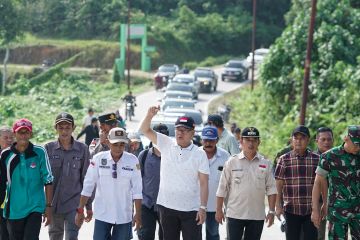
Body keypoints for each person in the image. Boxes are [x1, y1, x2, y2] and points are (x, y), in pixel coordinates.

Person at [140, 106, 209, 240]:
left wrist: (203, 208)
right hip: (167, 207)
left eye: (184, 130)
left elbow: (204, 183)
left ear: (192, 133)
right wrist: (149, 115)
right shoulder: (166, 143)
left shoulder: (200, 154)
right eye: (177, 129)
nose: (180, 133)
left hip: (191, 210)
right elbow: (144, 130)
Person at [75, 127, 142, 240]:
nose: (119, 148)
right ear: (108, 142)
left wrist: (138, 213)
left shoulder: (133, 160)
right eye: (115, 144)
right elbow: (88, 186)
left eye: (122, 144)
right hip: (102, 215)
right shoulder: (98, 159)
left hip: (124, 216)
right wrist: (81, 210)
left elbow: (137, 190)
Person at [216, 127, 277, 240]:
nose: (251, 143)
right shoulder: (232, 162)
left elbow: (271, 189)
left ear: (259, 142)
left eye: (254, 140)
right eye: (247, 140)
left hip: (256, 216)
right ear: (241, 141)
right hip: (235, 214)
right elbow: (222, 187)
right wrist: (219, 210)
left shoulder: (265, 163)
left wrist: (272, 211)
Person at [0, 118, 54, 240]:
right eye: (20, 132)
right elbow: (1, 183)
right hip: (14, 209)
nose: (23, 135)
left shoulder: (39, 152)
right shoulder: (6, 155)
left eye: (26, 132)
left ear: (31, 134)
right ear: (14, 134)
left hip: (35, 207)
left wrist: (48, 206)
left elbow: (49, 180)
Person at [44, 112, 92, 240]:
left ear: (73, 128)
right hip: (54, 204)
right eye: (61, 127)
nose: (64, 131)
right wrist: (45, 206)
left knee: (72, 237)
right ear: (56, 128)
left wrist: (88, 206)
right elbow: (43, 179)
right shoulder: (48, 149)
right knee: (55, 236)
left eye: (67, 127)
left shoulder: (83, 149)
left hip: (74, 204)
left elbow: (86, 179)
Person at [311, 125, 360, 240]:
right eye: (356, 144)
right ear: (346, 138)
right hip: (337, 211)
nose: (358, 147)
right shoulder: (329, 156)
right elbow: (318, 182)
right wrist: (315, 209)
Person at [275, 125, 319, 240]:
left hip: (311, 210)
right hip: (291, 210)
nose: (299, 141)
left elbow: (320, 184)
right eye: (296, 138)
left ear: (308, 140)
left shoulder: (316, 159)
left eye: (302, 138)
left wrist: (322, 205)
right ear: (292, 140)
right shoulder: (284, 159)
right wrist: (278, 205)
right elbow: (278, 183)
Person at [137, 124, 169, 240]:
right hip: (147, 205)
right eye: (156, 136)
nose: (159, 140)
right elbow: (137, 181)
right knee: (145, 236)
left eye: (163, 137)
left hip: (167, 207)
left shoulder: (173, 157)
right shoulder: (143, 155)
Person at [200, 126, 230, 240]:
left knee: (212, 234)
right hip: (195, 205)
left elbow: (228, 182)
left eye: (211, 140)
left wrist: (225, 206)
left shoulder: (225, 156)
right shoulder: (195, 153)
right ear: (202, 140)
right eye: (206, 140)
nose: (208, 143)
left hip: (214, 205)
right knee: (193, 235)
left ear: (217, 140)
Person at [311, 127, 334, 240]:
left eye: (329, 139)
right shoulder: (311, 159)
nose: (326, 142)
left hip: (337, 205)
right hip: (316, 203)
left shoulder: (337, 157)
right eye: (323, 139)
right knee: (316, 235)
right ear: (316, 141)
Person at [0, 126, 14, 240]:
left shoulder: (17, 154)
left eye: (11, 137)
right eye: (6, 138)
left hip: (14, 203)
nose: (9, 140)